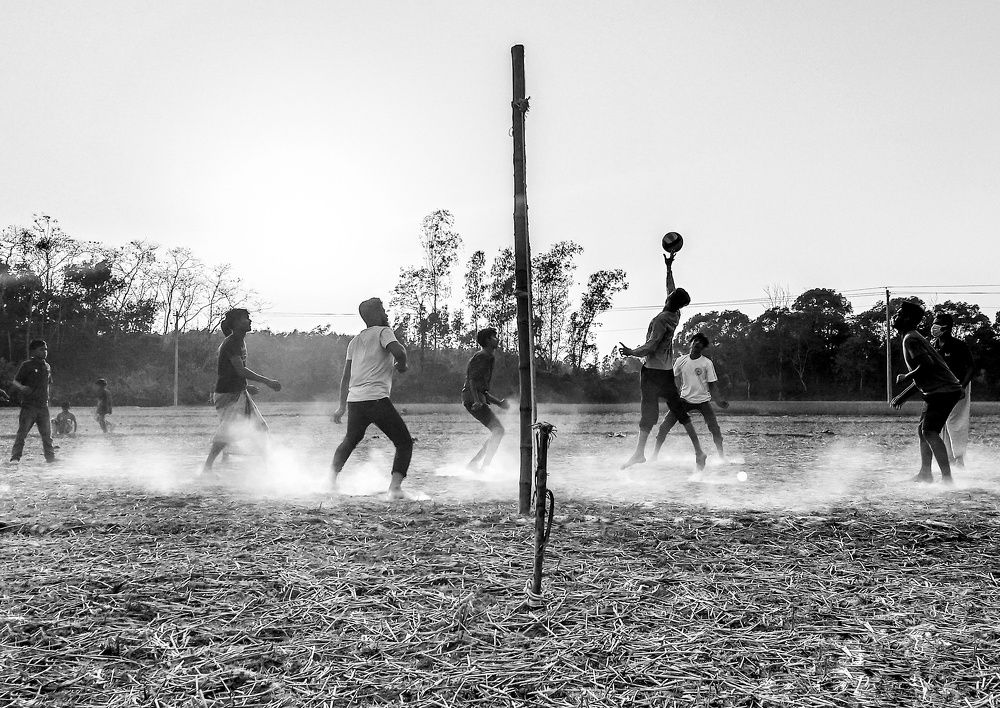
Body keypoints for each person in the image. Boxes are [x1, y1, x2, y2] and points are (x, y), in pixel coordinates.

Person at [619, 253, 707, 469]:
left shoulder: (660, 320)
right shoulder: (675, 314)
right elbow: (671, 289)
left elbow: (650, 346)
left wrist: (631, 351)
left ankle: (639, 452)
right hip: (667, 372)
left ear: (670, 300)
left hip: (651, 373)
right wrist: (668, 268)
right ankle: (699, 452)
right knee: (678, 410)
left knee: (648, 414)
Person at [332, 298, 413, 499]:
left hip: (355, 401)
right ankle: (395, 488)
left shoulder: (354, 341)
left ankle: (330, 480)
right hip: (376, 399)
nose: (386, 314)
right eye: (383, 310)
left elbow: (345, 377)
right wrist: (401, 365)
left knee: (350, 440)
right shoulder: (383, 332)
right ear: (375, 315)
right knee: (404, 442)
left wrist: (342, 406)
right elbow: (399, 352)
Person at [889, 301, 963, 484]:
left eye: (898, 314)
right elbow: (924, 375)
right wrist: (902, 396)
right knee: (923, 430)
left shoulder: (911, 339)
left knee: (929, 431)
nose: (894, 317)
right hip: (940, 391)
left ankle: (947, 479)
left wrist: (906, 376)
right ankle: (925, 473)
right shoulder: (912, 337)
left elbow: (927, 366)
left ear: (907, 319)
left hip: (943, 391)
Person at [202, 308, 282, 473]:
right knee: (227, 432)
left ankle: (267, 467)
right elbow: (240, 371)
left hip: (237, 392)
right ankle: (207, 468)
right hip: (228, 394)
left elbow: (233, 371)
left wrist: (245, 386)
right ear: (236, 323)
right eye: (246, 318)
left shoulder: (238, 340)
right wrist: (267, 381)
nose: (249, 321)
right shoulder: (232, 342)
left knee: (258, 428)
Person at [651, 333, 729, 461]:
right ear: (691, 343)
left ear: (702, 348)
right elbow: (673, 378)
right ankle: (654, 455)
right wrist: (674, 394)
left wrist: (719, 401)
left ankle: (722, 457)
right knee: (664, 426)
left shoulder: (707, 363)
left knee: (715, 429)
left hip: (703, 401)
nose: (697, 343)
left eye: (701, 343)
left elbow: (712, 385)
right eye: (696, 340)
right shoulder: (680, 360)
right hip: (684, 400)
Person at [931, 312, 974, 467]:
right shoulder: (933, 345)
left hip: (958, 386)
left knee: (956, 421)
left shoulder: (958, 345)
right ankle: (948, 458)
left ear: (946, 327)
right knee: (941, 422)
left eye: (937, 323)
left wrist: (962, 387)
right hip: (941, 388)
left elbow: (970, 368)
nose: (934, 326)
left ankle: (959, 458)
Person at [462, 327, 509, 471]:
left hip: (474, 398)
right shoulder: (484, 356)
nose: (497, 339)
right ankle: (482, 466)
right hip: (472, 399)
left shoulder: (488, 356)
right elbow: (472, 381)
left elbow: (482, 389)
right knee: (498, 431)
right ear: (488, 340)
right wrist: (476, 400)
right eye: (494, 337)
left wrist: (499, 403)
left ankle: (476, 464)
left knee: (498, 431)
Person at [8, 339, 56, 463]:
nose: (45, 352)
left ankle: (50, 457)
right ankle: (15, 457)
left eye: (46, 349)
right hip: (29, 406)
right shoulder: (27, 365)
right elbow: (15, 381)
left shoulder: (47, 366)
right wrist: (22, 387)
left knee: (47, 435)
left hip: (43, 407)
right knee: (22, 433)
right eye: (41, 349)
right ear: (33, 351)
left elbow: (48, 384)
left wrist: (48, 399)